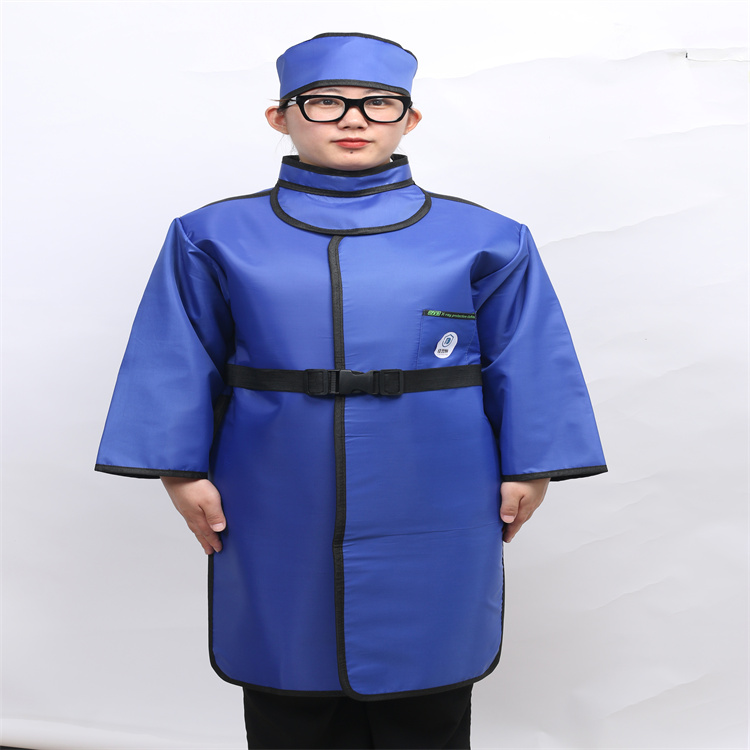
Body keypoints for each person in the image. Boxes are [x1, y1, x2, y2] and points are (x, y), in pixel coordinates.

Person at [95, 32, 606, 749]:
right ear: (280, 116)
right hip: (273, 485)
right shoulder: (209, 236)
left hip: (439, 485)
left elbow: (529, 355)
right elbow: (174, 355)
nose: (354, 118)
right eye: (326, 101)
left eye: (378, 102)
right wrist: (180, 471)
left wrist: (533, 465)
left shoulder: (487, 237)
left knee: (427, 687)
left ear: (410, 119)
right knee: (288, 678)